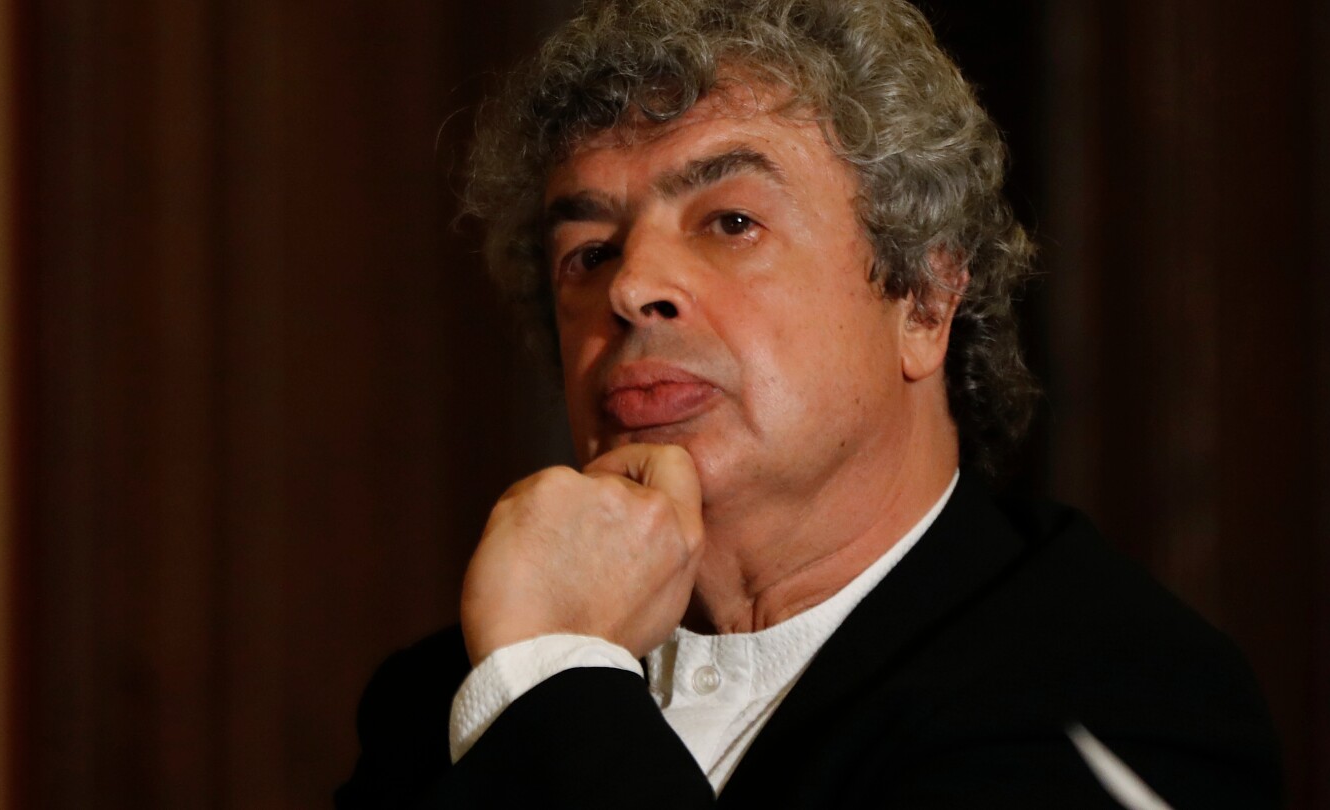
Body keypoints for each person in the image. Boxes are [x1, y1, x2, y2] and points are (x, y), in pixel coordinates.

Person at [336, 0, 1281, 806]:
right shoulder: (451, 694)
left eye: (731, 222)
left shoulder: (1120, 695)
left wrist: (556, 685)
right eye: (587, 252)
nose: (630, 286)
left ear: (924, 301)